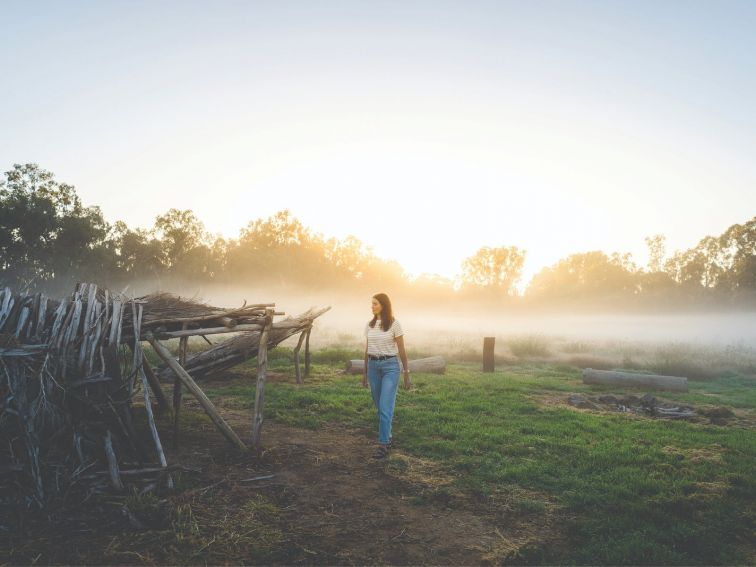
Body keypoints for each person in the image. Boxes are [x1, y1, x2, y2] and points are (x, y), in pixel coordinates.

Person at [362, 292, 411, 459]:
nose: (372, 306)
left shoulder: (394, 324)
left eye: (375, 303)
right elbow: (367, 349)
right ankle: (388, 437)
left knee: (384, 407)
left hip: (390, 367)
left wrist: (406, 372)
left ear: (384, 305)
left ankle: (383, 444)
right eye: (372, 303)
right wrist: (364, 372)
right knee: (380, 407)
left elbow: (402, 350)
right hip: (373, 368)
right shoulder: (369, 325)